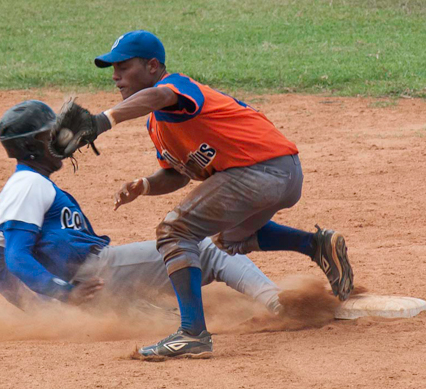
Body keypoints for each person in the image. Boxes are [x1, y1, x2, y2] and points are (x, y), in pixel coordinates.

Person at [75, 30, 354, 358]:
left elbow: (159, 97)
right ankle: (315, 245)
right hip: (282, 173)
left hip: (260, 171)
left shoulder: (176, 87)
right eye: (113, 69)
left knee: (173, 231)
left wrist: (103, 120)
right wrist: (146, 185)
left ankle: (192, 332)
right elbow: (177, 174)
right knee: (228, 239)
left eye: (123, 66)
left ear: (152, 66)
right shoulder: (158, 125)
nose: (116, 76)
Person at [0, 100, 286, 357]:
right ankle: (279, 303)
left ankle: (217, 319)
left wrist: (44, 310)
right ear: (32, 146)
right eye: (51, 134)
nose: (62, 138)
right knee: (206, 248)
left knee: (165, 318)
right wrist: (63, 294)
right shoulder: (28, 185)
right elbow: (15, 259)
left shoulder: (24, 186)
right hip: (99, 273)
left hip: (95, 291)